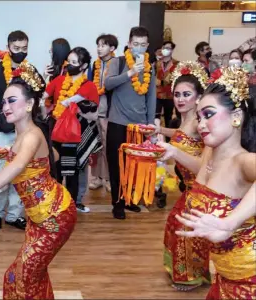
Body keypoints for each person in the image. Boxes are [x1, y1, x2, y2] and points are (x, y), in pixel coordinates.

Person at [0, 63, 76, 299]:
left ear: (30, 104)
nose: (5, 106)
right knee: (25, 275)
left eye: (12, 100)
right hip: (37, 217)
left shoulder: (32, 134)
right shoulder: (23, 134)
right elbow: (42, 159)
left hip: (55, 216)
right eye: (3, 101)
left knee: (23, 274)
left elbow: (19, 165)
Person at [158, 66, 256, 299]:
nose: (200, 124)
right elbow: (198, 168)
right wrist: (172, 152)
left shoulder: (243, 161)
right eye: (199, 117)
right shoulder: (210, 155)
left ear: (235, 117)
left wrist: (230, 223)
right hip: (223, 278)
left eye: (209, 115)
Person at [149, 61, 209, 291]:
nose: (180, 99)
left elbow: (205, 164)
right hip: (189, 187)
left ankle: (189, 277)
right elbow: (182, 135)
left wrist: (173, 152)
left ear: (198, 97)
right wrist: (159, 130)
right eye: (177, 94)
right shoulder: (186, 119)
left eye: (187, 94)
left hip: (200, 185)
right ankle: (193, 272)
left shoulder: (199, 122)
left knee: (182, 227)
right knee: (178, 224)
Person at [104, 26, 157, 219]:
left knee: (135, 166)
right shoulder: (117, 62)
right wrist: (130, 72)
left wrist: (150, 124)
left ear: (148, 46)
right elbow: (107, 84)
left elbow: (151, 97)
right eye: (136, 44)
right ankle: (117, 203)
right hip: (118, 122)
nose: (139, 48)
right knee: (117, 165)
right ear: (128, 44)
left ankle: (129, 199)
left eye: (143, 45)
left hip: (140, 124)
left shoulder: (150, 66)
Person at [0, 30, 30, 231]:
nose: (20, 52)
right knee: (1, 174)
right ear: (8, 47)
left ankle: (14, 214)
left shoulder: (29, 71)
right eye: (16, 48)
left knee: (20, 173)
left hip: (24, 131)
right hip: (1, 129)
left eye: (24, 48)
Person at [42, 47, 101, 213]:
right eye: (69, 61)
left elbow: (95, 115)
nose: (70, 65)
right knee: (56, 168)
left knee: (74, 169)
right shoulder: (59, 80)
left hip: (76, 131)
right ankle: (55, 202)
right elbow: (43, 95)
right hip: (56, 129)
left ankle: (73, 204)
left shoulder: (89, 86)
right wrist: (45, 77)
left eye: (74, 62)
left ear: (83, 66)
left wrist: (78, 107)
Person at [88, 34, 117, 193]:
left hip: (109, 110)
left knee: (108, 145)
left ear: (112, 48)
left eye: (103, 45)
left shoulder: (117, 63)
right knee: (96, 145)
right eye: (98, 45)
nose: (99, 48)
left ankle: (108, 178)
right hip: (96, 108)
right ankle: (97, 177)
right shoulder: (95, 63)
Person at [155, 40, 179, 129]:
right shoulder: (156, 63)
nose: (166, 50)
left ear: (172, 50)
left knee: (168, 118)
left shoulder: (177, 64)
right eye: (164, 48)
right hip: (157, 94)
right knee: (155, 117)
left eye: (168, 48)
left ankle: (169, 139)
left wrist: (160, 82)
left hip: (169, 95)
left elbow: (173, 79)